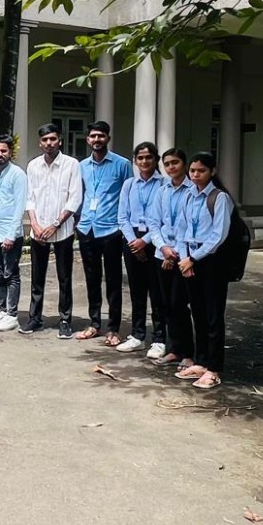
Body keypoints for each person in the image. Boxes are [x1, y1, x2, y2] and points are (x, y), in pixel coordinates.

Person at [174, 152, 233, 390]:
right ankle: (201, 361)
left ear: (212, 171)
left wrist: (193, 259)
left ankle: (214, 368)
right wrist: (184, 258)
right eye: (193, 171)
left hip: (211, 261)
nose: (196, 175)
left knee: (213, 315)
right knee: (197, 312)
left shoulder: (219, 198)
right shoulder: (188, 195)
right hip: (189, 259)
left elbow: (218, 235)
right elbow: (181, 230)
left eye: (201, 171)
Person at [22, 123, 83, 339]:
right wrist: (35, 225)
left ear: (60, 140)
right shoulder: (33, 165)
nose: (49, 143)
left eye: (53, 139)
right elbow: (29, 198)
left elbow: (75, 198)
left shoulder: (71, 164)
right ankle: (34, 318)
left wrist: (55, 224)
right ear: (40, 143)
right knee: (37, 277)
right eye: (45, 140)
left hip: (62, 231)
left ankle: (65, 320)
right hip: (38, 231)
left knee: (64, 278)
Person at [75, 120, 132, 346]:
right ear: (87, 139)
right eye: (93, 136)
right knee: (91, 279)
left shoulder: (122, 164)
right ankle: (94, 323)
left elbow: (128, 197)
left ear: (108, 138)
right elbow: (78, 194)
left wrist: (125, 228)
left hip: (111, 230)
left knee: (113, 280)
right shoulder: (82, 166)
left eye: (101, 136)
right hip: (87, 228)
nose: (96, 140)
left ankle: (114, 328)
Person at [115, 141, 168, 357]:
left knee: (157, 292)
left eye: (149, 157)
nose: (144, 161)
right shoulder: (129, 184)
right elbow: (122, 217)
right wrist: (133, 242)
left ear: (156, 160)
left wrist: (144, 241)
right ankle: (137, 335)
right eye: (140, 158)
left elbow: (165, 218)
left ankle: (159, 339)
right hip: (131, 239)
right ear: (135, 161)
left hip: (156, 240)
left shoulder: (164, 184)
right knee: (136, 290)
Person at [148, 147, 195, 372]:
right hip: (162, 254)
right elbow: (154, 223)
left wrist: (174, 253)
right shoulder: (162, 191)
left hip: (184, 257)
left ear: (184, 164)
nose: (171, 167)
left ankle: (188, 353)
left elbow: (190, 225)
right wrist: (163, 248)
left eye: (175, 162)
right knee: (165, 304)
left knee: (179, 304)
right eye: (167, 164)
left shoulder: (193, 190)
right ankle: (174, 349)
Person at [0, 134, 27, 332]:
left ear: (10, 152)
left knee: (11, 274)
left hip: (10, 233)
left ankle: (12, 314)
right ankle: (1, 310)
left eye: (3, 151)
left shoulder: (18, 175)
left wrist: (11, 235)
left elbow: (19, 207)